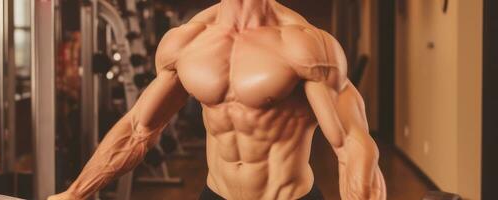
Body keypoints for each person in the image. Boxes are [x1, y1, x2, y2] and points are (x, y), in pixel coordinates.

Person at [49, 0, 386, 199]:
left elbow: (352, 146)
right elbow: (139, 129)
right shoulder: (186, 41)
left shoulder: (305, 45)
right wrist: (75, 193)